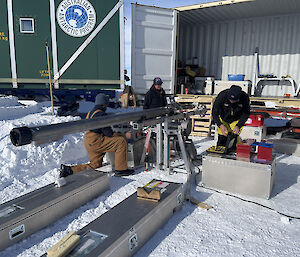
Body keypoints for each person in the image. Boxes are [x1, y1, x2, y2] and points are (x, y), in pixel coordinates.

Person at [60, 93, 134, 177]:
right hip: (96, 142)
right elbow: (109, 134)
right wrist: (125, 135)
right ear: (104, 104)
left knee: (95, 165)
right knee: (120, 141)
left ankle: (69, 170)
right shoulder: (101, 114)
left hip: (89, 142)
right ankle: (121, 170)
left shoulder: (91, 113)